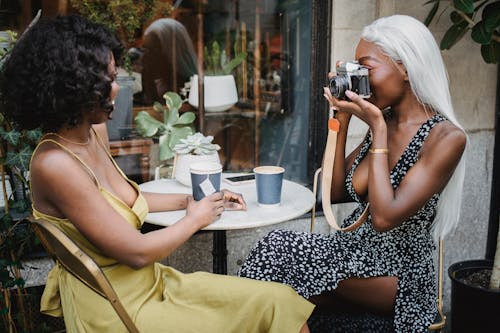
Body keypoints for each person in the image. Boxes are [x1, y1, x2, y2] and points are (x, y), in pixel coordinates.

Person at [0, 15, 314, 332]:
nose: (117, 89)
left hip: (153, 284)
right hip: (121, 308)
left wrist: (195, 199)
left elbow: (127, 199)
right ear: (72, 88)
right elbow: (137, 253)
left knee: (279, 302)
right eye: (107, 81)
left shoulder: (93, 131)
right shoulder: (55, 164)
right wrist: (196, 218)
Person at [238, 14, 467, 333]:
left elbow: (385, 218)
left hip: (399, 275)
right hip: (352, 257)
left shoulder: (445, 138)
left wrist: (375, 127)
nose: (362, 80)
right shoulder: (384, 122)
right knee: (275, 289)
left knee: (280, 249)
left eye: (367, 68)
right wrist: (342, 118)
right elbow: (332, 193)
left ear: (405, 67)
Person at [141, 18, 198, 104]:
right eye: (145, 49)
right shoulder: (149, 75)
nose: (147, 56)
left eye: (154, 49)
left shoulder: (187, 85)